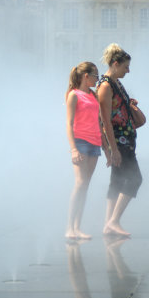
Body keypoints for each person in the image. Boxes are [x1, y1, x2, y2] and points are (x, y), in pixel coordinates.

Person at [96, 43, 144, 237]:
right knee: (135, 179)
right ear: (115, 64)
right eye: (125, 67)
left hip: (126, 137)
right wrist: (112, 149)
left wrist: (129, 105)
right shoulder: (106, 86)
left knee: (116, 181)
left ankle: (108, 224)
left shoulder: (115, 83)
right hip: (119, 140)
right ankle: (114, 221)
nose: (128, 70)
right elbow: (105, 120)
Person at [65, 62, 103, 240]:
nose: (97, 79)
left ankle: (77, 227)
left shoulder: (93, 95)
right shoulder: (74, 95)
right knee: (80, 183)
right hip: (80, 142)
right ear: (85, 76)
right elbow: (69, 123)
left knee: (85, 186)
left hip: (94, 142)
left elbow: (99, 121)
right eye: (95, 75)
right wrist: (73, 149)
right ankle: (69, 227)